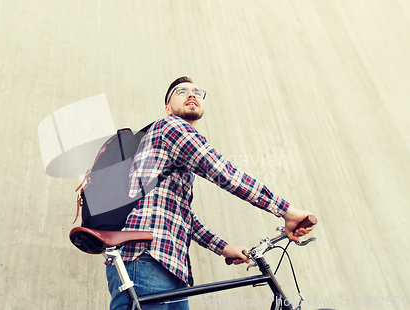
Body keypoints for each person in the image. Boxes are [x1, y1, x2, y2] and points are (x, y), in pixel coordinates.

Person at [105, 76, 315, 310]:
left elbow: (182, 215)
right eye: (181, 91)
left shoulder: (169, 151)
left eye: (197, 92)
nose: (191, 94)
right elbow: (223, 172)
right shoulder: (170, 127)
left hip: (170, 267)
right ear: (167, 108)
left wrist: (223, 247)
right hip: (145, 259)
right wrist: (287, 211)